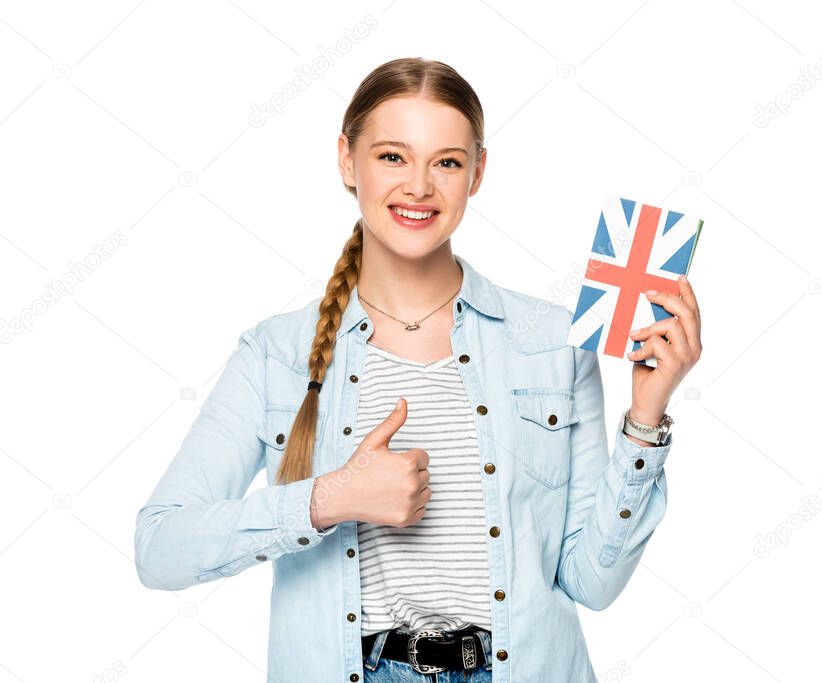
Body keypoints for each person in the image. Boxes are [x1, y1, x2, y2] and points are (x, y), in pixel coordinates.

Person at [133, 56, 702, 683]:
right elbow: (159, 549)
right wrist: (329, 499)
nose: (420, 186)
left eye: (447, 162)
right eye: (392, 157)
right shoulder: (276, 355)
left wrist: (645, 420)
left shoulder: (552, 344)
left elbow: (592, 581)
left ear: (478, 172)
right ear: (347, 160)